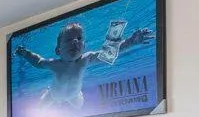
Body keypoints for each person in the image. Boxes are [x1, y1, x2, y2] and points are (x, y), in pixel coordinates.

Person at [14, 22, 153, 109]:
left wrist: (131, 41)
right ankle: (47, 91)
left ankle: (78, 93)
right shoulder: (55, 64)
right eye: (69, 39)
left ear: (84, 47)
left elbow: (108, 54)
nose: (75, 41)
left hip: (74, 96)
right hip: (53, 95)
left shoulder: (86, 59)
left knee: (80, 107)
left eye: (79, 38)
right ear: (58, 50)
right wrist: (25, 53)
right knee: (40, 108)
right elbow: (38, 61)